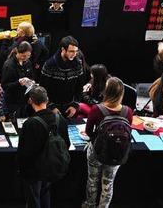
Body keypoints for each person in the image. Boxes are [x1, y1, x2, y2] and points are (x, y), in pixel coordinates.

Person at [17, 85, 70, 208]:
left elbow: (24, 153)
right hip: (51, 167)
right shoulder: (59, 119)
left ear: (30, 101)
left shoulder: (30, 123)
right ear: (47, 100)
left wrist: (22, 170)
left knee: (33, 198)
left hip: (34, 171)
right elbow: (66, 143)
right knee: (45, 194)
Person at [83, 77, 132, 208]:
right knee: (108, 183)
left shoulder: (96, 109)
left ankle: (90, 204)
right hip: (116, 152)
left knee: (92, 180)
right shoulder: (128, 111)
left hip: (97, 152)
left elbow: (88, 131)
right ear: (121, 93)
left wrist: (97, 141)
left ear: (106, 91)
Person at [40, 36, 88, 118]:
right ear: (63, 49)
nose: (74, 54)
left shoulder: (77, 64)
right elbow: (43, 88)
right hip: (52, 106)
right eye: (71, 51)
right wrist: (51, 106)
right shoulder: (50, 64)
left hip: (70, 106)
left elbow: (79, 87)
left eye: (76, 51)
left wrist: (75, 105)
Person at [1, 41, 36, 118]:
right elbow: (4, 86)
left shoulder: (27, 62)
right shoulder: (9, 65)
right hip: (13, 102)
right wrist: (18, 83)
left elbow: (32, 77)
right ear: (18, 52)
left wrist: (32, 82)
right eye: (23, 56)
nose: (26, 58)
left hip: (25, 99)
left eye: (28, 56)